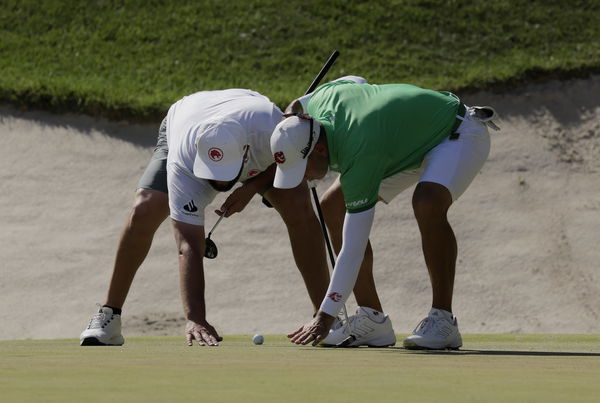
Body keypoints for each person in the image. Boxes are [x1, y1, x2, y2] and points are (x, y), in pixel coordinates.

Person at [80, 88, 331, 346]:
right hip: (185, 117)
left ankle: (327, 318)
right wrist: (195, 317)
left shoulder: (269, 127)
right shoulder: (184, 164)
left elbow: (289, 157)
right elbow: (188, 245)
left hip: (250, 121)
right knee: (144, 209)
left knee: (298, 204)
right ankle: (109, 315)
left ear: (245, 154)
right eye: (213, 174)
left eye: (227, 173)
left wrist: (252, 186)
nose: (219, 182)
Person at [271, 77, 498, 349]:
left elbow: (352, 248)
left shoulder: (360, 150)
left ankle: (444, 320)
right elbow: (353, 81)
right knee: (332, 206)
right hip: (400, 144)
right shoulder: (320, 102)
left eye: (302, 168)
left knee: (427, 202)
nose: (302, 177)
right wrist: (293, 111)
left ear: (320, 149)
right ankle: (372, 320)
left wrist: (325, 315)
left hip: (456, 131)